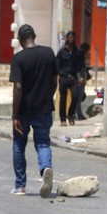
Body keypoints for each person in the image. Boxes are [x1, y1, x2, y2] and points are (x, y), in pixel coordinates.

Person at [9, 24, 57, 198]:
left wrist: (14, 115)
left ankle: (20, 186)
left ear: (20, 40)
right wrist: (47, 97)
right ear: (34, 36)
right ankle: (45, 168)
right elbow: (54, 81)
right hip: (44, 108)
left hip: (23, 111)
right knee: (43, 142)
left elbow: (18, 88)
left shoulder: (18, 58)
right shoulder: (49, 53)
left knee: (18, 145)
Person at [55, 31, 83, 126]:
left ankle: (70, 114)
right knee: (63, 99)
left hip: (74, 78)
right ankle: (63, 119)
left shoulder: (78, 51)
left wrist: (80, 77)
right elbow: (56, 65)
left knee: (75, 96)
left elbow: (80, 66)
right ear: (66, 39)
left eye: (73, 37)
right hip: (63, 78)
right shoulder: (61, 51)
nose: (71, 39)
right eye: (69, 37)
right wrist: (59, 75)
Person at [75, 42, 91, 121]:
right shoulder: (80, 55)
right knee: (79, 98)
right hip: (79, 80)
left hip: (79, 79)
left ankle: (75, 114)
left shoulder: (77, 54)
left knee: (78, 98)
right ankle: (79, 115)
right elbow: (79, 68)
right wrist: (80, 78)